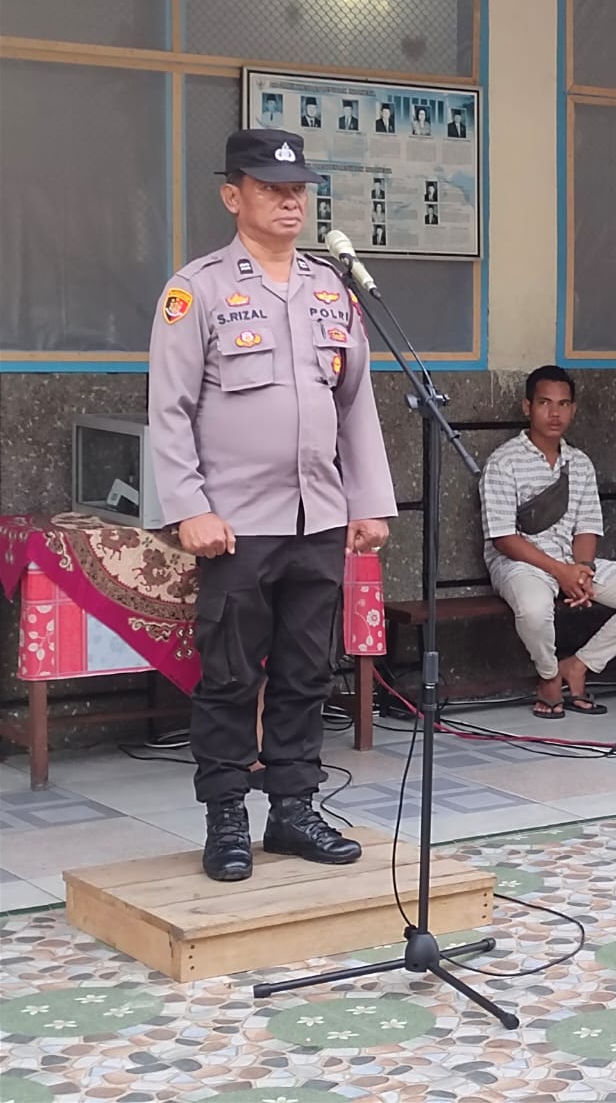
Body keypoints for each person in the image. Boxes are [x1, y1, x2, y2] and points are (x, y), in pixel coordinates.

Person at [147, 128, 395, 883]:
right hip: (235, 524)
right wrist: (188, 506)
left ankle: (293, 810)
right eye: (270, 189)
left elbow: (355, 404)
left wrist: (368, 500)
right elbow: (169, 409)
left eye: (297, 190)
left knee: (306, 673)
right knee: (229, 677)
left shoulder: (330, 289)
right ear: (233, 196)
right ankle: (226, 816)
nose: (289, 202)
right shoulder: (197, 289)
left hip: (318, 517)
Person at [481, 367, 616, 720]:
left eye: (563, 404)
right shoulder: (504, 462)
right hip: (522, 565)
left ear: (573, 409)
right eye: (545, 403)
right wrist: (560, 572)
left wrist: (581, 570)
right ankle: (549, 676)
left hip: (571, 561)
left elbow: (588, 527)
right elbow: (503, 538)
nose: (555, 413)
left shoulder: (580, 463)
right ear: (527, 407)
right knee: (534, 609)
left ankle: (579, 665)